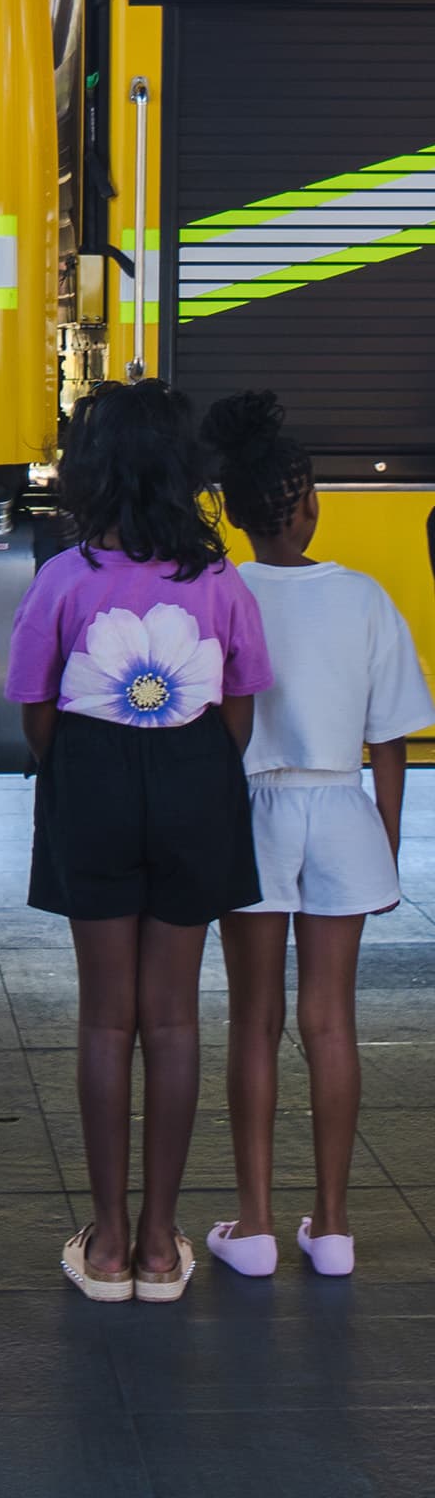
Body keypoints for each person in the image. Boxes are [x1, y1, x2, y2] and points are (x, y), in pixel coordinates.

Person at [4, 380, 273, 1304]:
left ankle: (109, 1242)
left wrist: (89, 766)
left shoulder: (64, 577)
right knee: (173, 1017)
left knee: (105, 1018)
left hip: (92, 779)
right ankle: (162, 1245)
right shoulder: (219, 578)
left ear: (92, 473)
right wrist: (191, 768)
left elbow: (34, 708)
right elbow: (240, 702)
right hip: (196, 777)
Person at [201, 391, 435, 1279]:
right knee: (331, 1022)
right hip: (341, 807)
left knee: (253, 1022)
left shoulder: (220, 592)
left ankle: (255, 1226)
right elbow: (392, 738)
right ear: (310, 505)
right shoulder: (364, 598)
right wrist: (384, 838)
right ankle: (333, 1228)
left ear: (234, 511)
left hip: (251, 812)